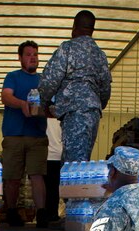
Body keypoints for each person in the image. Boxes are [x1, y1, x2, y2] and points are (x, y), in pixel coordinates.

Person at [38, 10, 112, 163]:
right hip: (93, 114)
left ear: (74, 27)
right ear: (92, 30)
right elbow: (105, 88)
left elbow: (50, 81)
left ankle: (73, 188)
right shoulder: (100, 55)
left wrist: (44, 104)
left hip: (75, 112)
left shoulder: (67, 48)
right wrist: (96, 105)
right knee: (81, 160)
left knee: (74, 166)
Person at [1, 40, 49, 228]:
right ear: (20, 58)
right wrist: (22, 104)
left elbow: (51, 104)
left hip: (37, 137)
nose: (32, 58)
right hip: (13, 136)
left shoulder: (44, 80)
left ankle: (42, 214)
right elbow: (5, 96)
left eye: (35, 55)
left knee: (37, 176)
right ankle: (11, 212)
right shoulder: (12, 77)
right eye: (28, 55)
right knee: (13, 178)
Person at [45, 116, 63, 223]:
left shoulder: (41, 117)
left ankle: (45, 214)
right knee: (55, 188)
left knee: (45, 189)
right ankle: (53, 214)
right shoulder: (63, 117)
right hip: (58, 155)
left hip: (44, 155)